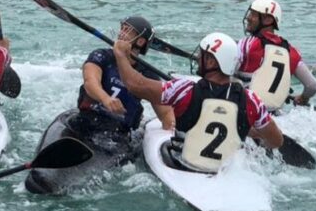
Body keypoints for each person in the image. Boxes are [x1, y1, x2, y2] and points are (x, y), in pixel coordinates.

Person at [112, 31, 287, 171]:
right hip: (224, 172)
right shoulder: (252, 100)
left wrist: (120, 54)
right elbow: (276, 141)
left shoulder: (184, 90)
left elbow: (135, 85)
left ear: (211, 61)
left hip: (184, 165)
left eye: (202, 55)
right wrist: (244, 132)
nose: (197, 58)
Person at [77, 15, 159, 134]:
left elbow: (165, 112)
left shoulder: (148, 74)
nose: (121, 33)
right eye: (122, 28)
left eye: (128, 31)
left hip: (120, 130)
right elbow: (90, 82)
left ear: (140, 41)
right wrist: (106, 99)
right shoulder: (101, 55)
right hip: (87, 118)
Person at [237, 0, 316, 110]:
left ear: (268, 20)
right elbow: (312, 86)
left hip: (248, 114)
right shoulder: (291, 52)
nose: (248, 18)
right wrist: (303, 98)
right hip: (276, 119)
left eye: (254, 14)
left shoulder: (247, 44)